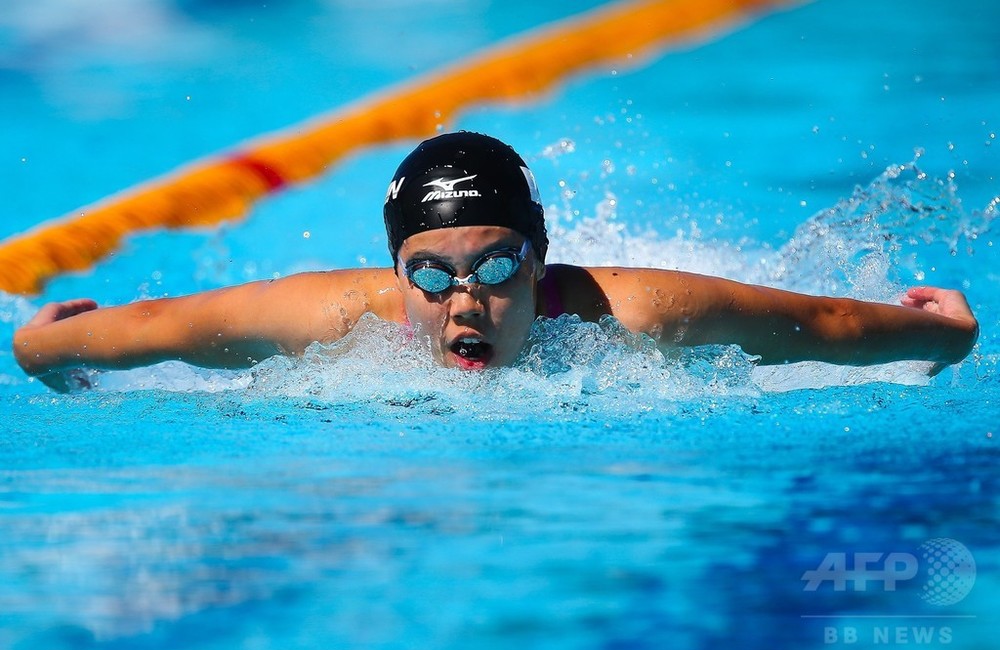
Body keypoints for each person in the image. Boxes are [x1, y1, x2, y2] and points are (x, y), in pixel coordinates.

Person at [12, 131, 979, 392]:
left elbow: (827, 325)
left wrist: (944, 334)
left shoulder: (631, 314)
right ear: (396, 275)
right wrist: (42, 349)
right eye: (430, 273)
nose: (464, 298)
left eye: (498, 263)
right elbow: (155, 328)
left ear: (542, 255)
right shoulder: (338, 320)